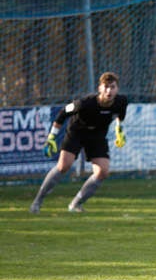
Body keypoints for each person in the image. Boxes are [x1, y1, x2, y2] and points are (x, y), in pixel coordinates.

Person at [29, 72, 128, 213]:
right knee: (64, 166)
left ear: (117, 89)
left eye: (112, 87)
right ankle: (38, 201)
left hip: (97, 136)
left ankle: (76, 204)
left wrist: (119, 130)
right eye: (106, 87)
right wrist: (51, 137)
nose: (109, 91)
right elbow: (62, 114)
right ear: (99, 88)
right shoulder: (85, 103)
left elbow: (120, 116)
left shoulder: (121, 101)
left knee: (103, 172)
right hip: (77, 132)